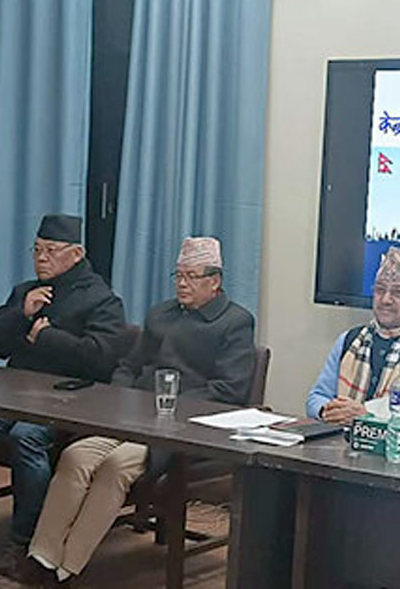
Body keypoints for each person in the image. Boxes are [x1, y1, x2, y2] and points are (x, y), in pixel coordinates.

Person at [16, 237, 255, 587]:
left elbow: (229, 391)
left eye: (192, 276)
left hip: (181, 431)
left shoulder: (236, 322)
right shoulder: (160, 314)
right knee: (75, 456)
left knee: (115, 467)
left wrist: (170, 408)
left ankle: (67, 568)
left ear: (215, 281)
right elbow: (129, 365)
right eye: (178, 275)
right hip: (132, 418)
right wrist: (120, 398)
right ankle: (42, 556)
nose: (182, 284)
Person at [0, 214, 130, 573]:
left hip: (66, 402)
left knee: (27, 437)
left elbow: (101, 360)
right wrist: (21, 314)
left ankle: (23, 540)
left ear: (76, 254)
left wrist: (46, 338)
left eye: (51, 250)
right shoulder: (26, 291)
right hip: (10, 397)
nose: (41, 258)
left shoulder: (102, 300)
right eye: (36, 250)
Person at [306, 247, 400, 426]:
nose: (385, 299)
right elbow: (316, 398)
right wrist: (328, 411)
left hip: (396, 444)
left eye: (398, 293)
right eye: (379, 290)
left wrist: (367, 418)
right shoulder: (349, 341)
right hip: (338, 440)